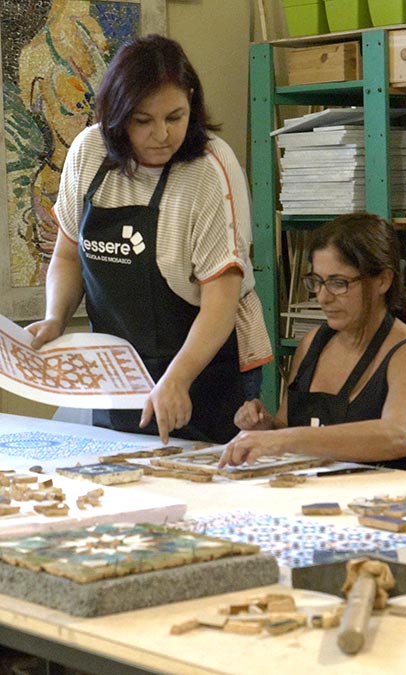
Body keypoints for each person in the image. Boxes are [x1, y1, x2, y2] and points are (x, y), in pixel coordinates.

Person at [27, 35, 272, 445]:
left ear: (191, 101)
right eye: (143, 121)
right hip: (119, 364)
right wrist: (55, 318)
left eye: (174, 117)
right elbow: (68, 256)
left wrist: (177, 378)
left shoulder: (210, 169)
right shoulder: (89, 152)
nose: (162, 134)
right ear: (117, 116)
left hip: (206, 361)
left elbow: (221, 302)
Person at [218, 213, 406, 475]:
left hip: (397, 504)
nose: (323, 297)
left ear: (383, 281)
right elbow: (285, 425)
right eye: (317, 282)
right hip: (323, 496)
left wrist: (283, 440)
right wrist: (264, 429)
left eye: (338, 283)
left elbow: (396, 436)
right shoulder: (313, 344)